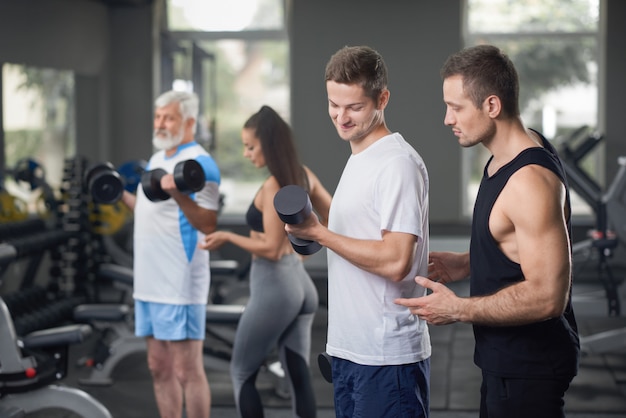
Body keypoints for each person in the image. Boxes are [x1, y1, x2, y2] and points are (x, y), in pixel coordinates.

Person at [395, 44, 580, 418]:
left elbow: (548, 296)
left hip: (529, 370)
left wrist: (458, 308)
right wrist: (467, 262)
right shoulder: (507, 154)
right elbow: (516, 246)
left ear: (492, 106)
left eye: (457, 107)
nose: (447, 118)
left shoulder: (529, 180)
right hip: (505, 363)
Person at [286, 46, 431, 417]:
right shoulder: (359, 158)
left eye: (354, 107)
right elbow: (353, 232)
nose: (341, 117)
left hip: (387, 358)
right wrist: (312, 225)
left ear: (382, 98)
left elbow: (397, 261)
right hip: (350, 350)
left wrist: (320, 234)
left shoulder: (396, 164)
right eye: (334, 104)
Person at [199, 105, 331, 418]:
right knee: (296, 371)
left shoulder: (274, 185)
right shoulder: (302, 174)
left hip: (276, 287)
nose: (246, 153)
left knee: (242, 372)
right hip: (300, 285)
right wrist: (306, 240)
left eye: (250, 146)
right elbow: (335, 213)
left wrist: (228, 237)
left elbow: (271, 249)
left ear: (268, 145)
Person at [120, 90, 221, 418]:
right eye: (158, 116)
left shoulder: (201, 165)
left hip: (179, 281)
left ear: (189, 121)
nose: (161, 124)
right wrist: (117, 193)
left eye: (169, 117)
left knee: (186, 371)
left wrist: (177, 193)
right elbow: (149, 212)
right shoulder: (157, 159)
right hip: (148, 281)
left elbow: (208, 223)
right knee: (157, 366)